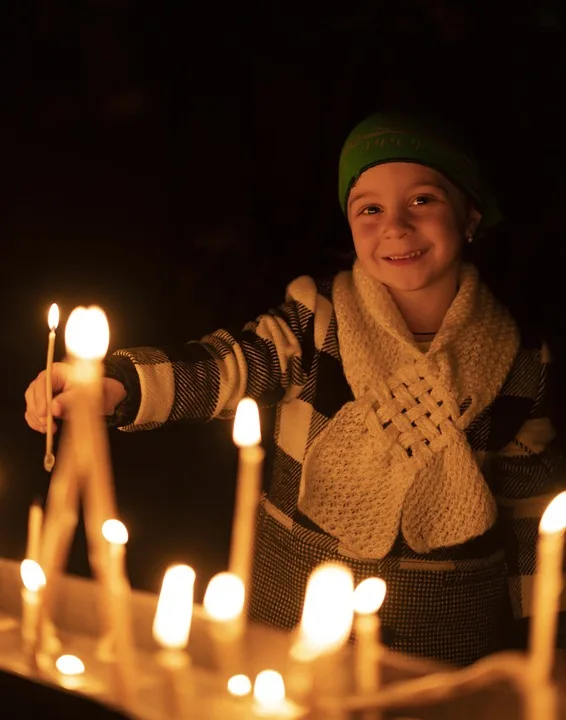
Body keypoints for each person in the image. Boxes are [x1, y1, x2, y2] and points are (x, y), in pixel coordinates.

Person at [24, 110, 565, 667]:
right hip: (294, 609)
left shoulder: (522, 359)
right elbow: (228, 368)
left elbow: (532, 514)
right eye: (370, 209)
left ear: (470, 213)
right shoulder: (317, 322)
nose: (396, 227)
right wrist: (116, 384)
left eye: (422, 200)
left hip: (444, 635)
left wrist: (546, 644)